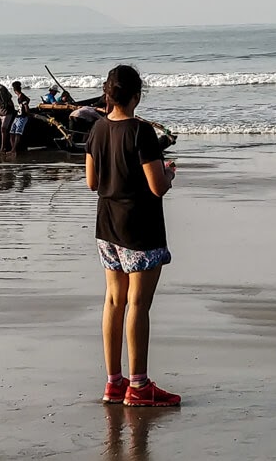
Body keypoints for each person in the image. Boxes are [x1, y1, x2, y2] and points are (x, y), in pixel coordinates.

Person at [86, 65, 180, 408]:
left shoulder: (96, 129)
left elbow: (92, 182)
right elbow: (156, 187)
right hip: (139, 226)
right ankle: (139, 386)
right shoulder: (141, 133)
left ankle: (114, 382)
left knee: (114, 300)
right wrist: (168, 174)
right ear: (137, 96)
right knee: (138, 304)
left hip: (106, 224)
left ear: (109, 95)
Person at [9, 81, 32, 153]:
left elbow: (26, 106)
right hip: (18, 116)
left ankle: (13, 149)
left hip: (22, 116)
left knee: (17, 133)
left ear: (15, 90)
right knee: (12, 132)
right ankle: (13, 149)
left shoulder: (22, 97)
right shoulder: (20, 97)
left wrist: (28, 114)